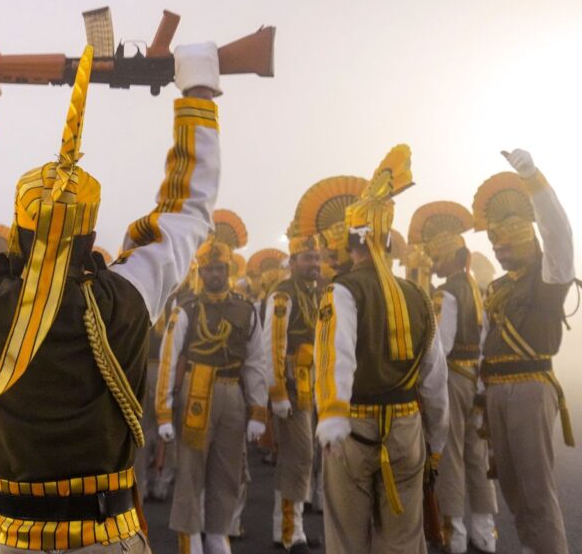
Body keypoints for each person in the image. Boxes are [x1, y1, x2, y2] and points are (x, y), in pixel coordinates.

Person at [0, 40, 224, 553]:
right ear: (90, 237)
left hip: (17, 540)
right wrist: (198, 92)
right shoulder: (127, 295)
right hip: (110, 537)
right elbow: (189, 210)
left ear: (17, 234)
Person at [314, 145, 449, 553]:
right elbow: (435, 380)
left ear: (351, 242)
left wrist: (332, 417)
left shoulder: (342, 290)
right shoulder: (420, 296)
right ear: (388, 240)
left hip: (352, 429)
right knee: (404, 541)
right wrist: (437, 442)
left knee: (347, 540)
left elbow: (336, 358)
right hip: (407, 429)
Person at [472, 149, 576, 554]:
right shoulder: (498, 288)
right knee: (514, 491)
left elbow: (559, 233)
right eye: (496, 244)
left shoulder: (548, 275)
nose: (499, 250)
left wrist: (534, 181)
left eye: (507, 242)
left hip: (530, 388)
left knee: (536, 492)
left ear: (528, 240)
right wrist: (481, 396)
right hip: (497, 390)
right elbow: (485, 341)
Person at [157, 234, 268, 554]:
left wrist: (258, 410)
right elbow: (168, 358)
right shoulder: (186, 308)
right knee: (191, 470)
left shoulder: (246, 309)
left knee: (227, 470)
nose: (215, 274)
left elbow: (256, 362)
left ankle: (218, 533)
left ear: (228, 269)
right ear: (200, 272)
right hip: (196, 391)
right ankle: (190, 537)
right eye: (209, 269)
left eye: (220, 268)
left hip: (233, 392)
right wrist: (163, 411)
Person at [408, 201, 498, 553]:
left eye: (437, 256)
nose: (434, 262)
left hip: (453, 380)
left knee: (451, 455)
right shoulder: (476, 286)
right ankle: (485, 530)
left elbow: (439, 345)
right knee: (476, 454)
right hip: (475, 377)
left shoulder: (445, 292)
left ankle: (453, 530)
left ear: (449, 257)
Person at [263, 223, 321, 553]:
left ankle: (286, 528)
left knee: (299, 459)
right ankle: (290, 532)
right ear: (293, 260)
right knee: (299, 458)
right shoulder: (283, 293)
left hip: (313, 388)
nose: (314, 264)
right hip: (293, 389)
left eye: (317, 258)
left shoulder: (315, 292)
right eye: (307, 258)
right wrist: (278, 393)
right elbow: (274, 343)